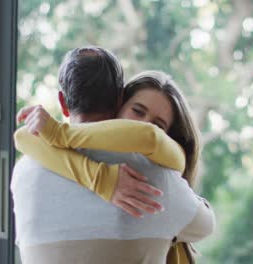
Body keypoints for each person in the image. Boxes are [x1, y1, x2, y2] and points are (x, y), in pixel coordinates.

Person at [11, 46, 215, 263]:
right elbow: (205, 225)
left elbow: (23, 137)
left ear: (62, 102)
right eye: (137, 111)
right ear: (120, 100)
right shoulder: (154, 178)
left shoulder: (24, 171)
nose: (142, 124)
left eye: (158, 125)